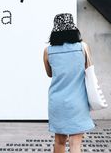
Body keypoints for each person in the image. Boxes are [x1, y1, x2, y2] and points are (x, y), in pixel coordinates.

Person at [43, 13, 96, 153]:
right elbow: (88, 70)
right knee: (75, 143)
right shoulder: (83, 47)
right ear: (73, 29)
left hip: (57, 102)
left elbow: (50, 74)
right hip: (77, 101)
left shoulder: (48, 51)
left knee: (59, 141)